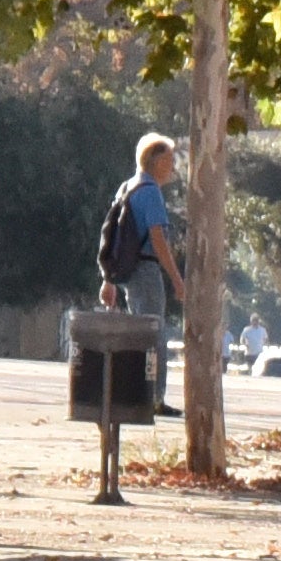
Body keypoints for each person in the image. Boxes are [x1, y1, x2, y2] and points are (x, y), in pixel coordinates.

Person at [101, 133, 188, 415]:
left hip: (128, 273)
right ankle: (153, 399)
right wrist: (177, 278)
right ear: (155, 161)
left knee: (139, 335)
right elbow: (158, 240)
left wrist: (108, 279)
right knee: (154, 334)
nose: (173, 166)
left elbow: (113, 236)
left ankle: (138, 393)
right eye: (169, 159)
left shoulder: (127, 186)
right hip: (146, 270)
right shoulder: (150, 192)